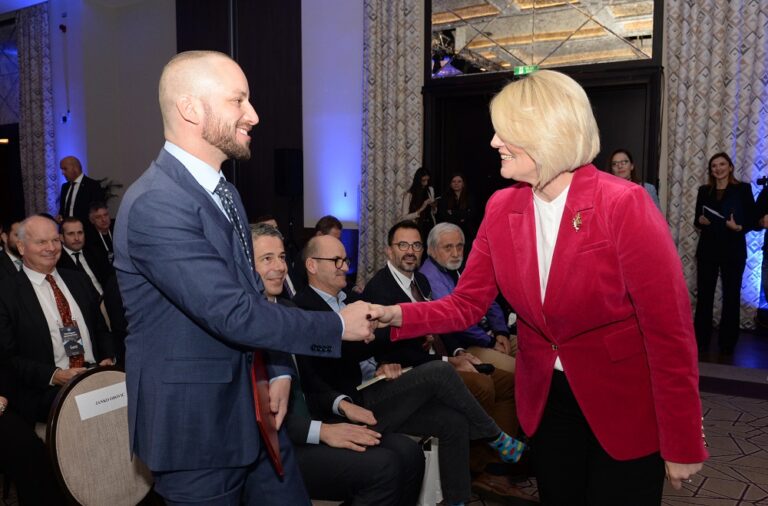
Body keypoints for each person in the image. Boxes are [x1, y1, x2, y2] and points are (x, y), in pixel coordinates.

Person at [376, 70, 707, 505]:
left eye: (505, 131)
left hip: (622, 401)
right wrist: (393, 314)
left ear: (548, 133)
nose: (494, 141)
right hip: (548, 402)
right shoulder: (501, 207)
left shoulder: (623, 203)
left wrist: (682, 437)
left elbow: (669, 329)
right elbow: (467, 303)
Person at [113, 50, 379, 505]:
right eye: (238, 101)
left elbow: (255, 295)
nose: (253, 115)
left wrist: (279, 369)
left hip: (256, 413)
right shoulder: (156, 203)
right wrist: (336, 325)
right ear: (190, 108)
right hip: (197, 431)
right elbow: (232, 313)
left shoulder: (226, 192)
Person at [294, 234, 526, 506]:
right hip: (346, 406)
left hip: (371, 387)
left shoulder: (352, 299)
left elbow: (367, 346)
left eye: (345, 260)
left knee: (453, 422)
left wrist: (381, 360)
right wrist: (398, 333)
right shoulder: (302, 310)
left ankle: (457, 501)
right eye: (336, 261)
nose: (344, 267)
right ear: (312, 265)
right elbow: (323, 367)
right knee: (439, 372)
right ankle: (495, 436)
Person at [251, 223, 425, 505]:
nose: (280, 267)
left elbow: (310, 380)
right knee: (384, 466)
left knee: (410, 453)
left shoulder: (289, 310)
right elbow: (261, 414)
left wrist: (340, 405)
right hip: (281, 443)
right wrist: (322, 430)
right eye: (267, 259)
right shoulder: (245, 325)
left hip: (317, 416)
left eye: (281, 257)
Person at [362, 221, 532, 501]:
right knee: (479, 384)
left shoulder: (421, 281)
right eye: (403, 245)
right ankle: (489, 448)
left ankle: (486, 474)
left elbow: (442, 326)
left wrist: (457, 353)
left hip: (437, 361)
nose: (410, 251)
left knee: (504, 383)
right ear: (388, 251)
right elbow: (391, 350)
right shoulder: (380, 289)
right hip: (407, 375)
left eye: (415, 245)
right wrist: (448, 359)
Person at [0, 216, 115, 424]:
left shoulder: (78, 280)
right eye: (41, 242)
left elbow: (100, 328)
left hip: (95, 374)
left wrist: (107, 356)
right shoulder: (6, 292)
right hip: (48, 390)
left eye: (55, 240)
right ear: (21, 247)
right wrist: (54, 375)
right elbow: (8, 357)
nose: (51, 248)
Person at [419, 222, 516, 373]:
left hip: (490, 334)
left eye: (459, 246)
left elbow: (488, 299)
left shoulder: (458, 265)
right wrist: (491, 342)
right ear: (432, 250)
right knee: (517, 369)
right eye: (448, 247)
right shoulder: (429, 276)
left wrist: (500, 331)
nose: (456, 253)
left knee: (538, 355)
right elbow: (457, 318)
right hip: (469, 344)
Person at [693, 152, 756, 356]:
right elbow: (697, 219)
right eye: (714, 166)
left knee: (731, 296)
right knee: (704, 296)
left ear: (730, 167)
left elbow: (753, 220)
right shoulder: (704, 190)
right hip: (707, 250)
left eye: (722, 164)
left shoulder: (743, 189)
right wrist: (700, 221)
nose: (718, 168)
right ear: (711, 170)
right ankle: (700, 340)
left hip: (733, 250)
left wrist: (738, 227)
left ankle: (727, 344)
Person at [57, 156, 105, 224]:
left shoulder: (92, 185)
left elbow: (96, 211)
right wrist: (60, 217)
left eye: (65, 169)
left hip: (86, 228)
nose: (62, 173)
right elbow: (62, 210)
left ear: (75, 168)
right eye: (62, 169)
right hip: (67, 228)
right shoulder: (65, 187)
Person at [437, 173, 477, 247]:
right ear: (450, 184)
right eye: (454, 181)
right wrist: (462, 217)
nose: (456, 184)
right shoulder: (445, 197)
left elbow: (472, 214)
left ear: (463, 184)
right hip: (450, 232)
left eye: (459, 181)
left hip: (467, 233)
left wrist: (453, 212)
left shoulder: (469, 197)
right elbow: (443, 215)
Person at [401, 167, 437, 240]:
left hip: (429, 225)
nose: (426, 183)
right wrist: (421, 208)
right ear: (418, 180)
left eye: (428, 180)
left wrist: (433, 206)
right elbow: (404, 217)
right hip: (416, 226)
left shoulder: (430, 190)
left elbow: (433, 212)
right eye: (423, 180)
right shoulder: (409, 195)